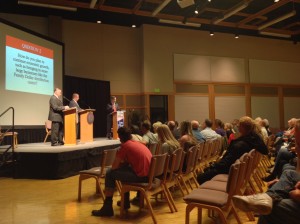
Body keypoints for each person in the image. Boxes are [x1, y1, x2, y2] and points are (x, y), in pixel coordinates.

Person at [232, 119, 300, 224]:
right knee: (289, 172)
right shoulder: (253, 137)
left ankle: (267, 198)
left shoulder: (243, 142)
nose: (296, 147)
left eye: (298, 143)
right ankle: (267, 197)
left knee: (272, 209)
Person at [91, 127, 152, 217]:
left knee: (110, 173)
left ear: (120, 137)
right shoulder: (137, 143)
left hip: (142, 176)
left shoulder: (125, 146)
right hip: (150, 175)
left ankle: (107, 207)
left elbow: (114, 167)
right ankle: (125, 202)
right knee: (124, 171)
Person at [197, 116, 268, 184]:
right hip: (237, 171)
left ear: (242, 127)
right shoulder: (254, 139)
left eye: (238, 125)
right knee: (206, 171)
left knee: (200, 177)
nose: (237, 127)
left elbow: (226, 163)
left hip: (230, 171)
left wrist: (213, 166)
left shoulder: (240, 145)